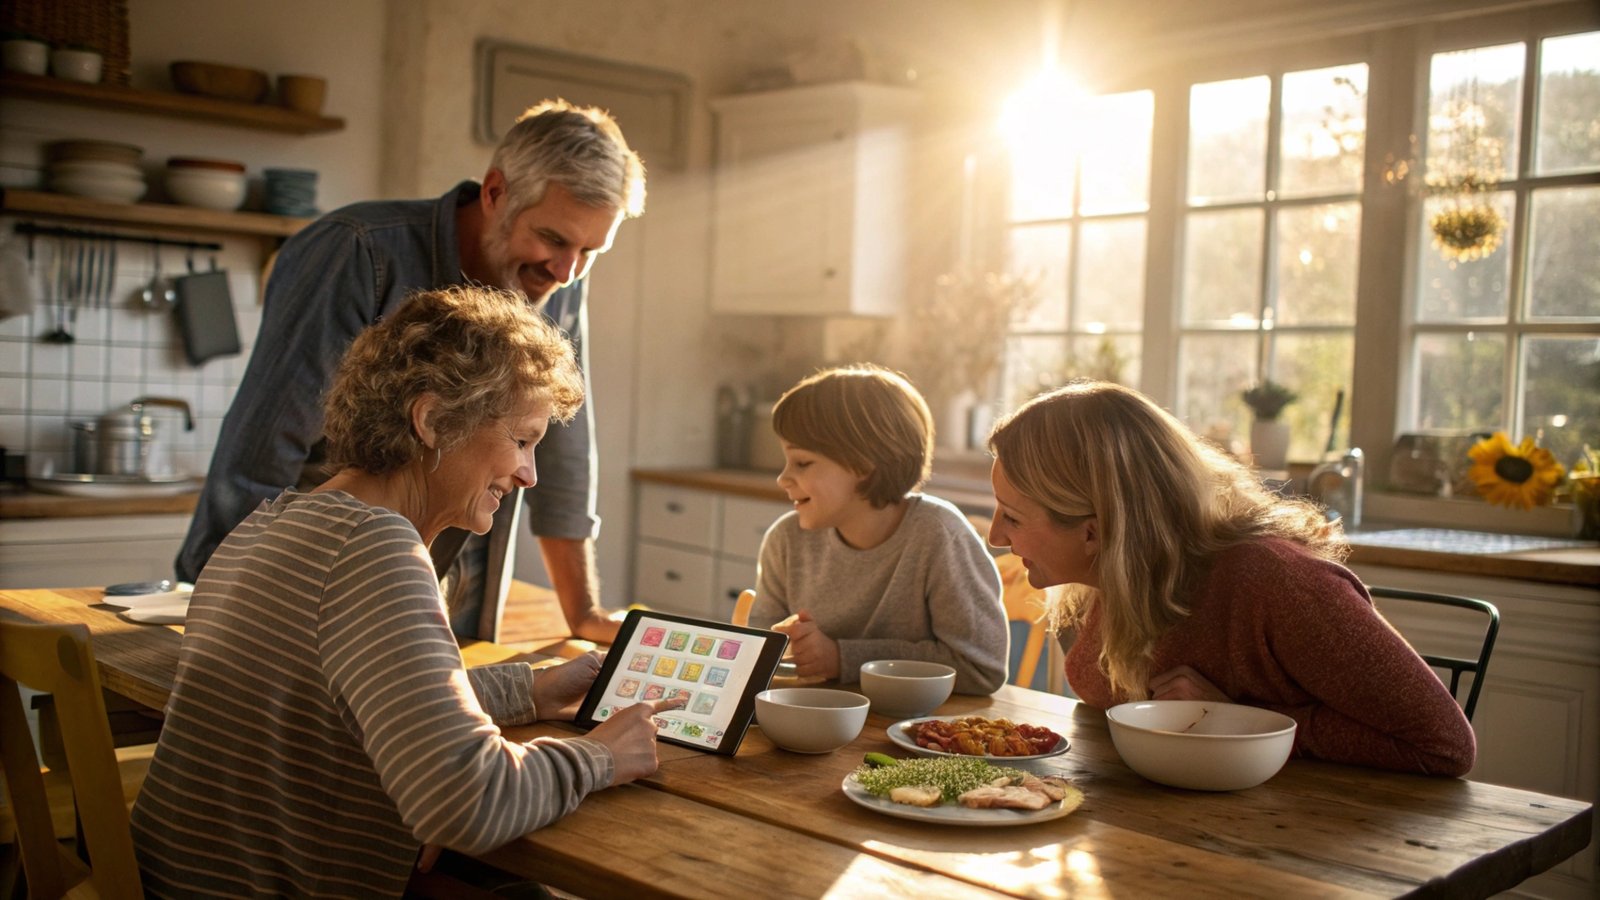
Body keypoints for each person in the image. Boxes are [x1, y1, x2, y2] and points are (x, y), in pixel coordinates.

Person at [131, 287, 681, 897]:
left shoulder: (270, 525)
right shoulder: (374, 551)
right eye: (522, 441)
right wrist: (603, 756)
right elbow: (465, 802)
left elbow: (344, 701)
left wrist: (530, 688)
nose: (530, 474)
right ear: (433, 420)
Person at [175, 99, 645, 643]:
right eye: (555, 239)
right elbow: (260, 451)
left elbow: (562, 445)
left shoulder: (558, 277)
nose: (567, 271)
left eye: (591, 250)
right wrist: (222, 607)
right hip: (307, 583)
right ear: (495, 193)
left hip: (456, 589)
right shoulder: (355, 252)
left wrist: (583, 612)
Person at [985, 381, 1476, 776]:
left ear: (1094, 530)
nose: (994, 537)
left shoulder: (1275, 581)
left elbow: (1445, 745)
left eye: (1011, 516)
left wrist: (1240, 722)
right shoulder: (1121, 576)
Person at [747, 365, 1008, 694]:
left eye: (801, 463)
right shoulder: (785, 540)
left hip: (918, 735)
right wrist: (782, 648)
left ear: (865, 465)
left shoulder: (938, 535)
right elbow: (756, 659)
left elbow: (982, 668)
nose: (782, 479)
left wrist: (843, 658)